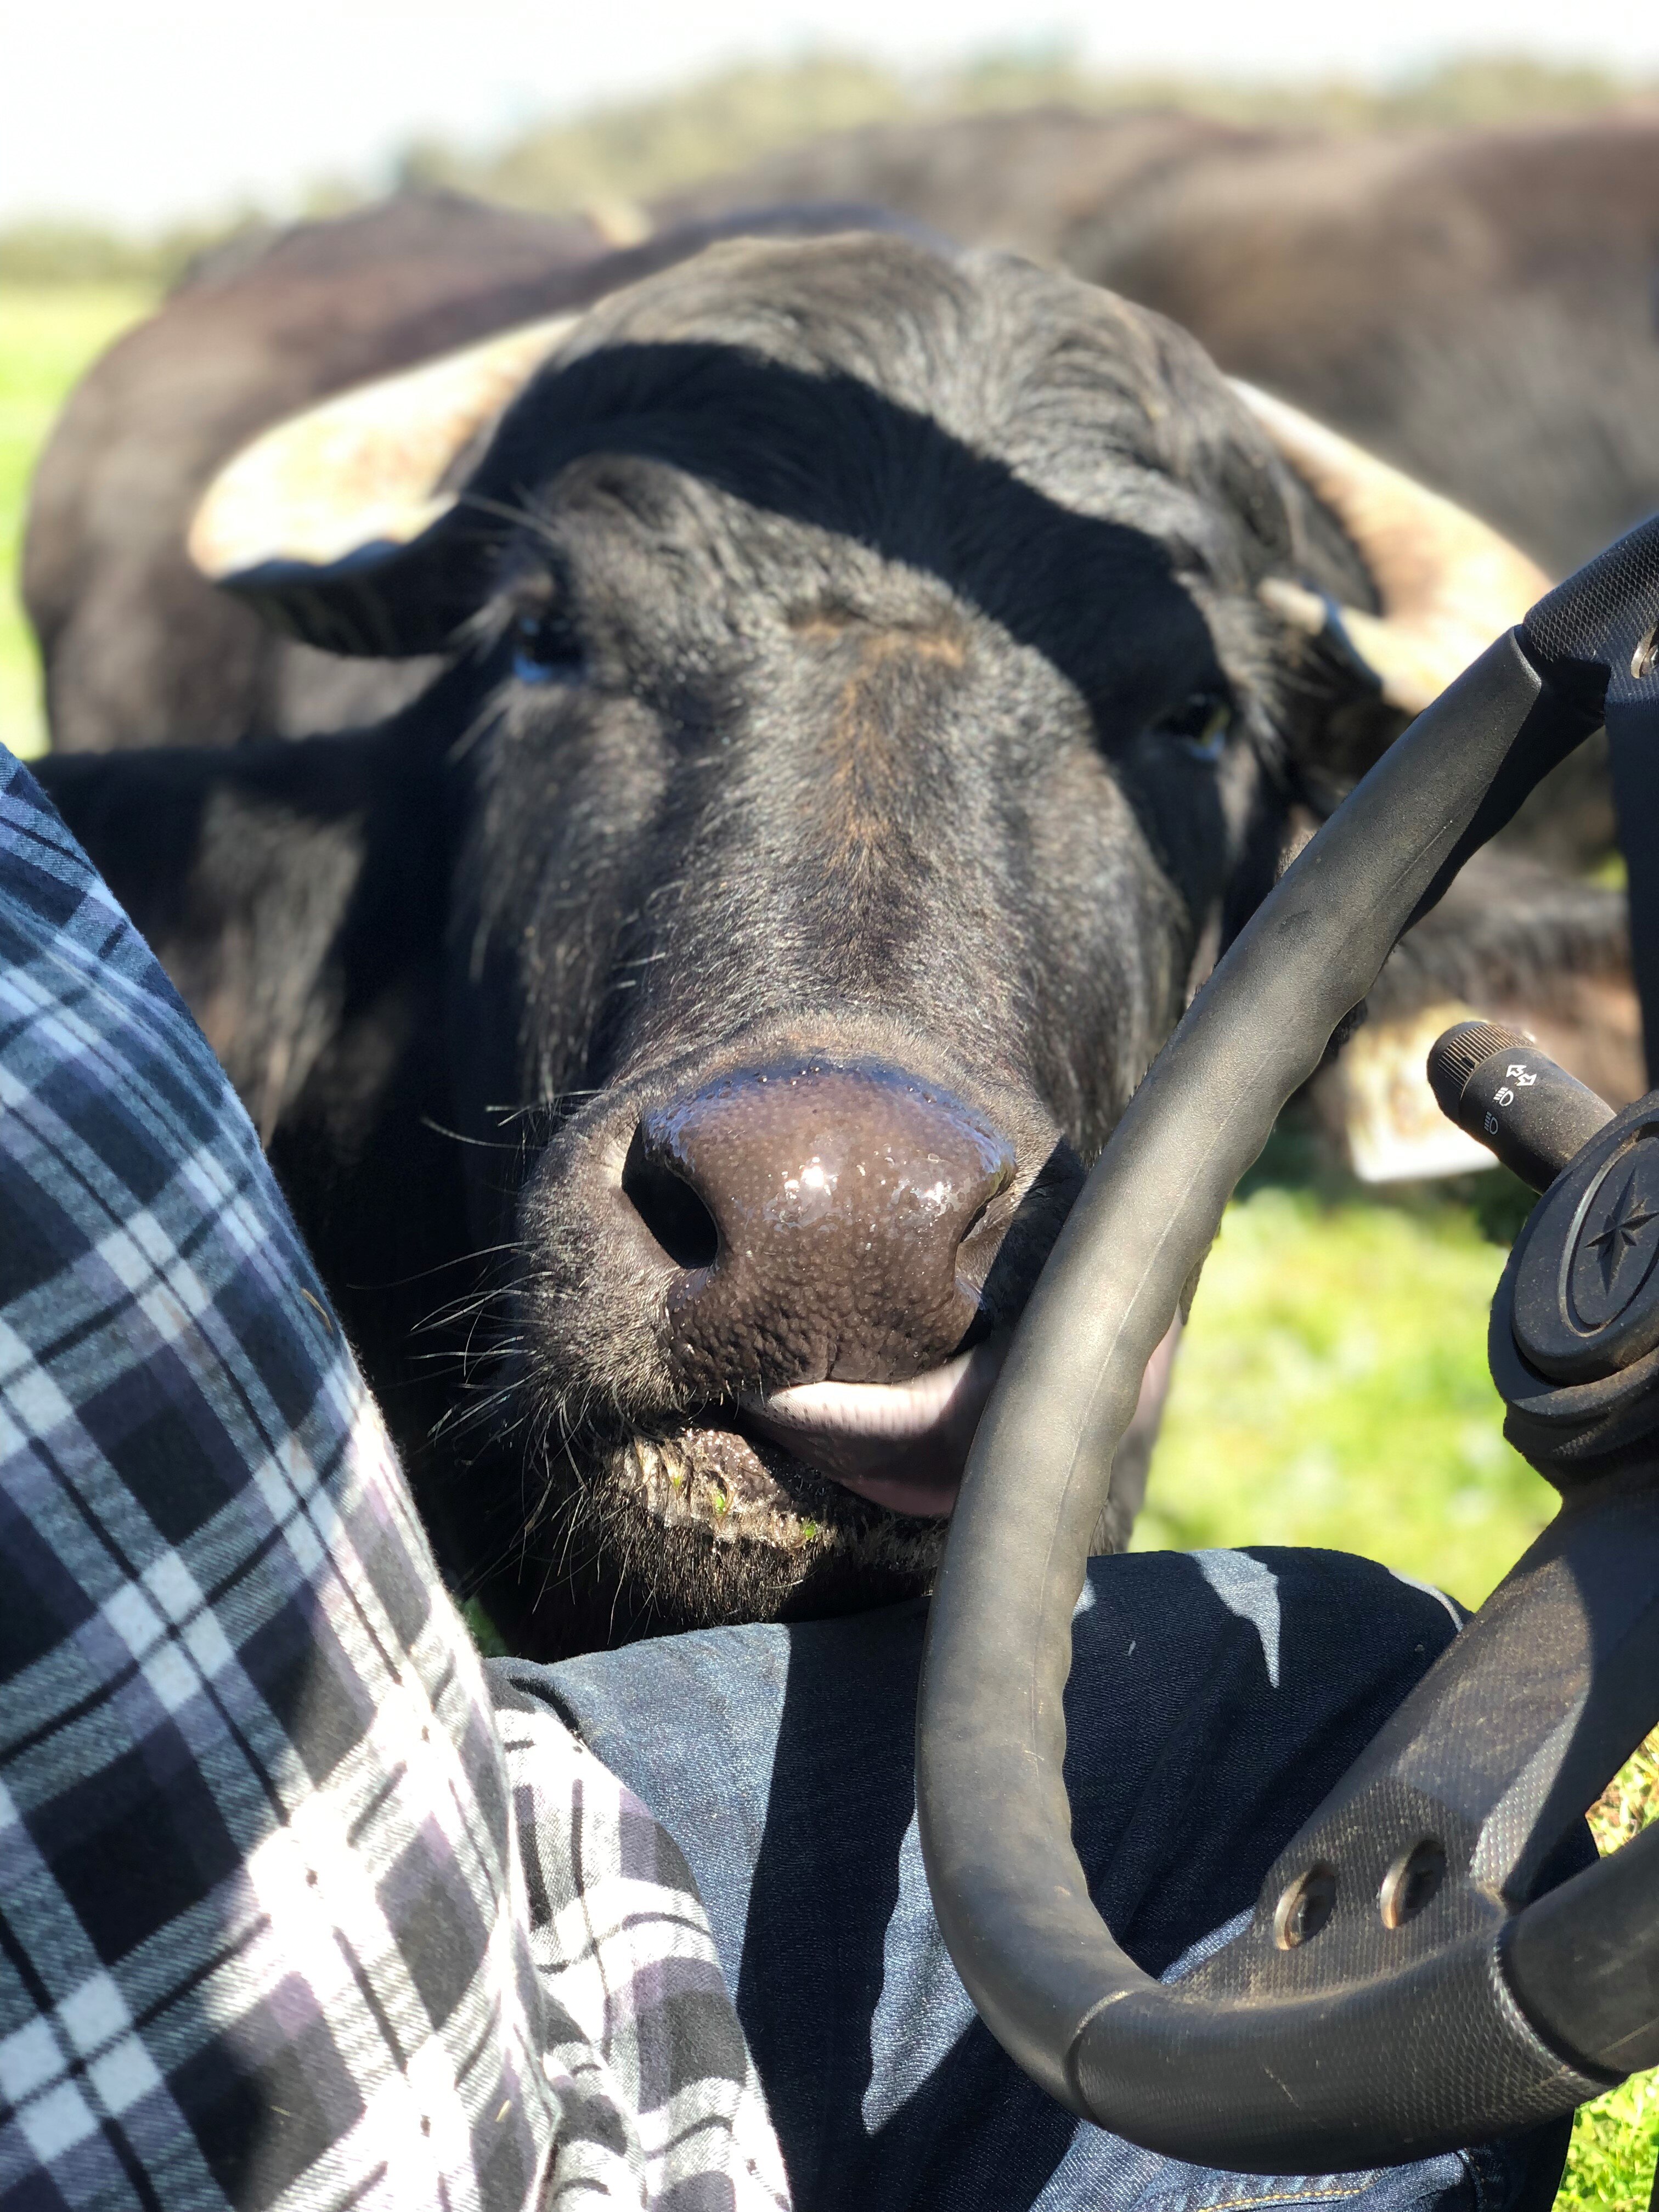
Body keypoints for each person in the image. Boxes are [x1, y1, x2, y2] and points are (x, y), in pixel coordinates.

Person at [0, 747, 1583, 2212]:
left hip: (372, 1799)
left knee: (1354, 1722)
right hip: (376, 2103)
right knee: (1382, 1766)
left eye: (1167, 732)